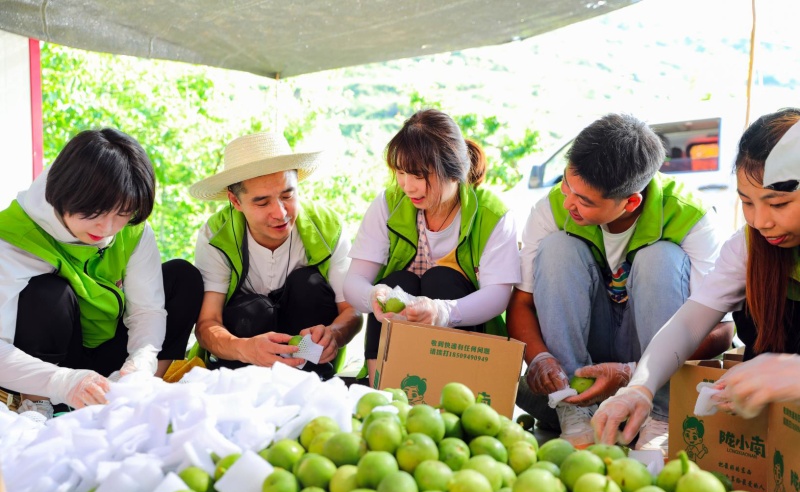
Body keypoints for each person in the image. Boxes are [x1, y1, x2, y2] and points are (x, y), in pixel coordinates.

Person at [509, 113, 734, 450]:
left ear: (630, 202)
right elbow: (521, 304)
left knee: (660, 257)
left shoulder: (692, 218)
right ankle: (573, 407)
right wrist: (540, 358)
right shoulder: (551, 209)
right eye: (567, 185)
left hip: (653, 369)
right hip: (583, 368)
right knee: (556, 249)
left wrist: (635, 373)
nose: (569, 203)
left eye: (585, 201)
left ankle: (659, 417)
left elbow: (722, 331)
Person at [593, 108, 800, 446]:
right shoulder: (748, 248)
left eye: (778, 204)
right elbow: (689, 323)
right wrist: (641, 387)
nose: (761, 221)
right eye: (747, 202)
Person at [0, 128, 203, 416]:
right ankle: (38, 405)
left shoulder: (131, 227)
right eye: (95, 211)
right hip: (48, 370)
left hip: (110, 356)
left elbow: (147, 310)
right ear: (64, 193)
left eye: (122, 213)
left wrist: (140, 363)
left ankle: (142, 391)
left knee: (182, 276)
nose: (107, 228)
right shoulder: (11, 237)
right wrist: (63, 382)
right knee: (47, 294)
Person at [343, 109, 521, 383]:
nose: (408, 187)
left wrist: (442, 312)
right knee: (396, 284)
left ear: (454, 172)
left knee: (442, 279)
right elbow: (354, 281)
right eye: (401, 172)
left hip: (467, 350)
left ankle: (453, 386)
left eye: (419, 175)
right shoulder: (389, 204)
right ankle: (381, 386)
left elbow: (497, 296)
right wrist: (373, 296)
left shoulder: (491, 213)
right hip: (397, 347)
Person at [189, 132, 362, 379]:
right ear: (235, 201)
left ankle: (316, 377)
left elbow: (351, 310)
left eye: (287, 195)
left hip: (309, 356)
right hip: (244, 361)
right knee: (254, 309)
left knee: (307, 285)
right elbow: (208, 323)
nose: (280, 213)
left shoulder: (327, 227)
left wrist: (334, 334)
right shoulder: (216, 235)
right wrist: (245, 348)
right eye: (262, 203)